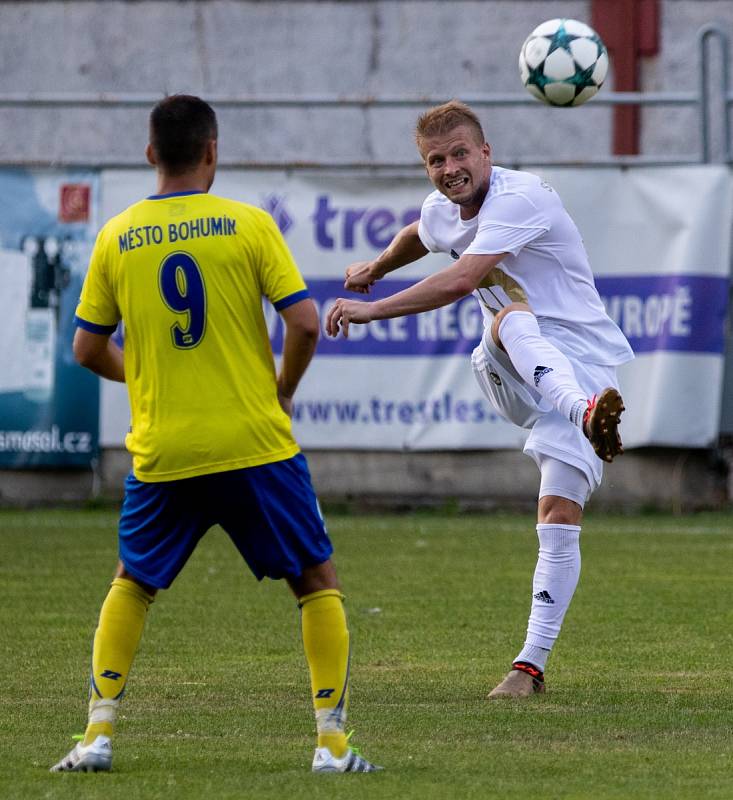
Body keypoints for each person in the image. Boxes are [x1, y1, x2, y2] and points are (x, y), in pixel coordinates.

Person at [51, 94, 379, 774]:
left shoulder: (117, 235)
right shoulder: (247, 225)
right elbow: (307, 323)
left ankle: (96, 736)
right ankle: (332, 747)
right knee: (315, 578)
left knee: (133, 582)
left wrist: (142, 374)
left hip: (164, 450)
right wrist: (281, 390)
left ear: (150, 155)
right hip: (255, 445)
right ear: (211, 151)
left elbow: (85, 349)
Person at [326, 100, 633, 698]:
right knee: (510, 317)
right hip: (511, 367)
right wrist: (378, 266)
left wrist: (373, 308)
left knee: (558, 518)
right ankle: (584, 414)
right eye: (435, 160)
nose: (449, 169)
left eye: (460, 153)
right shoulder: (443, 207)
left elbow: (463, 277)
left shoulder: (523, 197)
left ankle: (528, 668)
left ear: (486, 152)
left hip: (587, 363)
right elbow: (421, 232)